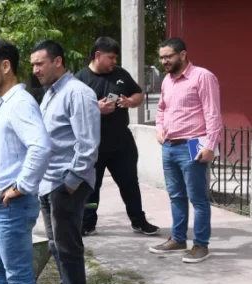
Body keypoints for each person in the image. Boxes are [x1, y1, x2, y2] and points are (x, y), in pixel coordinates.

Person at [0, 40, 51, 284]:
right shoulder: (6, 102)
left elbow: (40, 147)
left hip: (12, 207)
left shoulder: (20, 102)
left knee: (18, 275)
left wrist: (20, 187)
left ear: (5, 66)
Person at [31, 40, 101, 284]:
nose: (36, 70)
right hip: (49, 183)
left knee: (67, 246)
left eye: (40, 63)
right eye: (33, 65)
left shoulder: (77, 93)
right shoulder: (51, 93)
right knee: (56, 245)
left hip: (67, 183)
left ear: (57, 61)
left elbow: (88, 144)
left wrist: (71, 181)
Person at [74, 37, 159, 236]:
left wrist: (129, 101)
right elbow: (72, 112)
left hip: (122, 144)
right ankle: (87, 223)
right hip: (93, 146)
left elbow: (138, 94)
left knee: (130, 183)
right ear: (97, 55)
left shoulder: (120, 74)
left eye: (115, 58)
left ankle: (138, 221)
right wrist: (97, 109)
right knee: (91, 188)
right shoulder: (80, 80)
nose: (114, 61)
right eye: (110, 57)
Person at [148, 38, 222, 264]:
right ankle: (178, 239)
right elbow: (161, 109)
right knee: (176, 196)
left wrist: (210, 145)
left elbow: (213, 114)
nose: (164, 61)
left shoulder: (202, 77)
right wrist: (159, 129)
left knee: (198, 199)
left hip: (193, 144)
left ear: (182, 54)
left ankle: (201, 245)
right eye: (161, 57)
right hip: (169, 146)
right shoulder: (167, 81)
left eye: (168, 56)